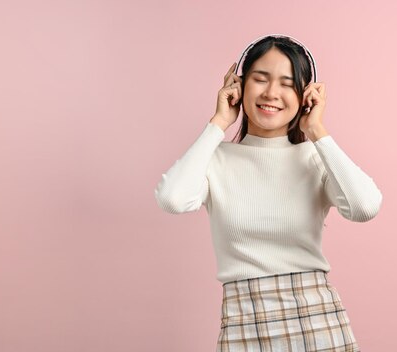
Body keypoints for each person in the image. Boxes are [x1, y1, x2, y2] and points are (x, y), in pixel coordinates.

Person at [154, 34, 382, 352]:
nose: (272, 93)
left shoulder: (315, 158)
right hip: (243, 321)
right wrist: (219, 122)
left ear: (305, 96)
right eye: (260, 79)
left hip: (318, 320)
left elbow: (365, 207)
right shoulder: (214, 159)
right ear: (239, 86)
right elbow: (172, 199)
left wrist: (317, 131)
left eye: (288, 84)